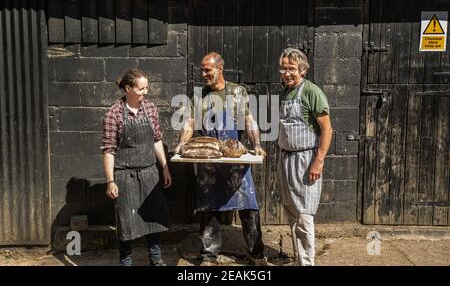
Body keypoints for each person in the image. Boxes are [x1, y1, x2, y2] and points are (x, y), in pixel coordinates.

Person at [176, 52, 267, 266]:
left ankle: (256, 253)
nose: (203, 74)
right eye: (202, 69)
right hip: (209, 159)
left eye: (207, 69)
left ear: (220, 69)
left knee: (249, 206)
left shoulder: (237, 91)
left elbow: (248, 120)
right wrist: (182, 144)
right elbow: (189, 123)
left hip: (235, 159)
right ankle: (209, 255)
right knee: (208, 207)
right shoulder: (198, 96)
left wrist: (257, 145)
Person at [102, 68, 172, 266]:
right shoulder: (113, 114)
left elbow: (157, 140)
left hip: (150, 172)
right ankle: (125, 262)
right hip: (125, 176)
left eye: (146, 88)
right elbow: (109, 150)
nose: (145, 92)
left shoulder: (150, 108)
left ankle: (156, 260)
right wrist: (110, 180)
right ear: (128, 88)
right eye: (141, 88)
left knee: (154, 218)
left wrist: (165, 168)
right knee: (126, 222)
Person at [277, 48, 333, 266]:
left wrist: (318, 162)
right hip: (285, 158)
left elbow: (327, 130)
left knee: (304, 215)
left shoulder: (311, 92)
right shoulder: (286, 92)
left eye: (291, 69)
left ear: (303, 69)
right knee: (291, 211)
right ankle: (299, 259)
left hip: (304, 159)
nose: (286, 73)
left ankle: (307, 263)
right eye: (283, 68)